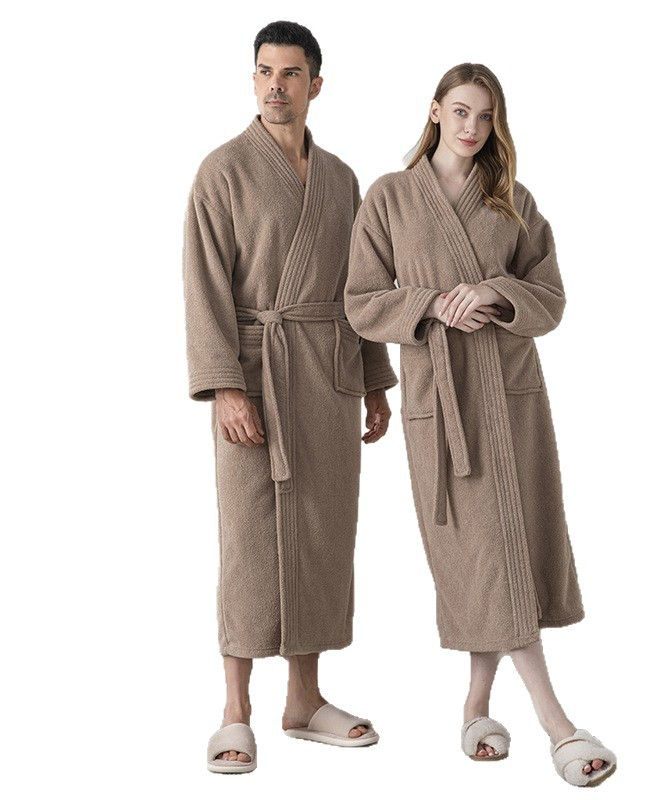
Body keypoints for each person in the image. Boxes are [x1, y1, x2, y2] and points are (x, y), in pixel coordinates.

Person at [344, 63, 617, 787]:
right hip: (442, 403)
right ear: (435, 111)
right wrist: (432, 304)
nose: (472, 127)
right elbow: (361, 300)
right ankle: (558, 724)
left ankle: (474, 707)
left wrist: (492, 293)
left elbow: (550, 295)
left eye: (485, 116)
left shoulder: (512, 200)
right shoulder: (389, 197)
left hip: (509, 398)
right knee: (481, 553)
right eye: (460, 111)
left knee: (506, 548)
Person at [182, 21, 397, 773]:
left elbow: (361, 288)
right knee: (248, 536)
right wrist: (225, 387)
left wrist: (374, 378)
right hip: (256, 374)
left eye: (291, 73)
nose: (276, 86)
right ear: (253, 80)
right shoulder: (222, 172)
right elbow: (204, 286)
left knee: (322, 532)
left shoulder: (341, 178)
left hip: (329, 374)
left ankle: (304, 700)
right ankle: (235, 711)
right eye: (265, 72)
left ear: (316, 84)